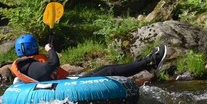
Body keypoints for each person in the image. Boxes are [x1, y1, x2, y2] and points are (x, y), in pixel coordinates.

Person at [10, 33, 168, 83]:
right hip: (66, 89)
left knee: (104, 68)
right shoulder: (31, 66)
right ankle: (149, 62)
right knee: (110, 70)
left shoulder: (26, 65)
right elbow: (53, 63)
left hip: (66, 84)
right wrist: (50, 49)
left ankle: (147, 64)